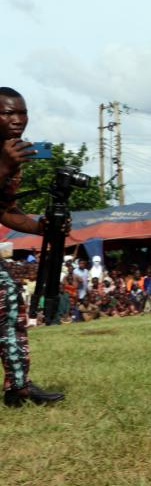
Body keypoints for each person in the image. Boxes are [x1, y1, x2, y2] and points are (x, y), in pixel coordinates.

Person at [0, 87, 64, 406]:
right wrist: (4, 167)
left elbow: (4, 210)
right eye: (8, 113)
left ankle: (18, 387)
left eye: (22, 112)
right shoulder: (8, 158)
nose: (18, 119)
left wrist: (43, 227)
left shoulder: (13, 154)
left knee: (10, 300)